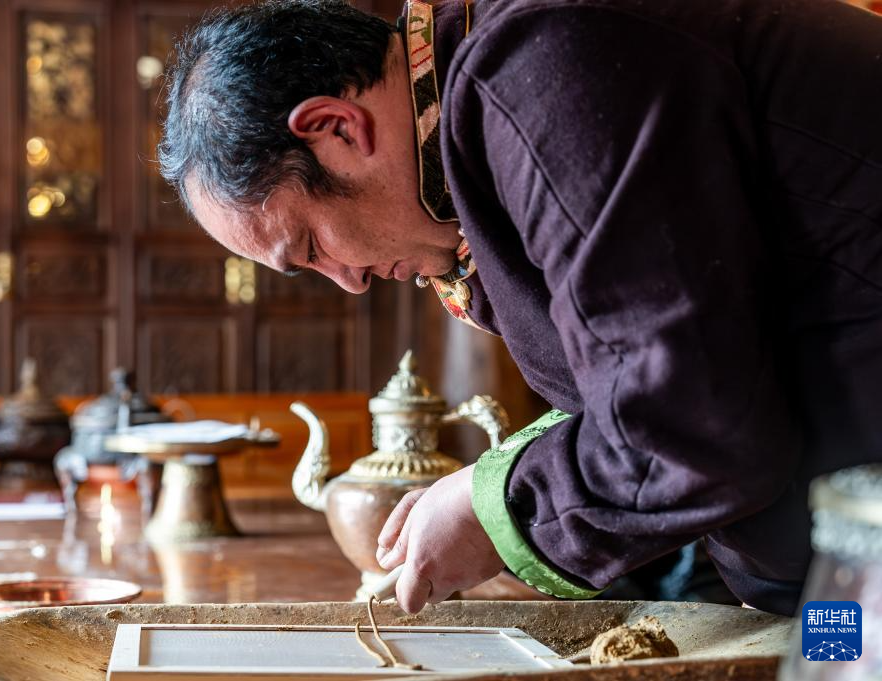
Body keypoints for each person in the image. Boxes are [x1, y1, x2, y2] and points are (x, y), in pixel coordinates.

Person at [158, 0, 882, 616]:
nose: (347, 282)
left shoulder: (541, 65)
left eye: (311, 245)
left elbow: (688, 422)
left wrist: (494, 509)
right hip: (835, 584)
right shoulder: (474, 157)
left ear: (339, 129)